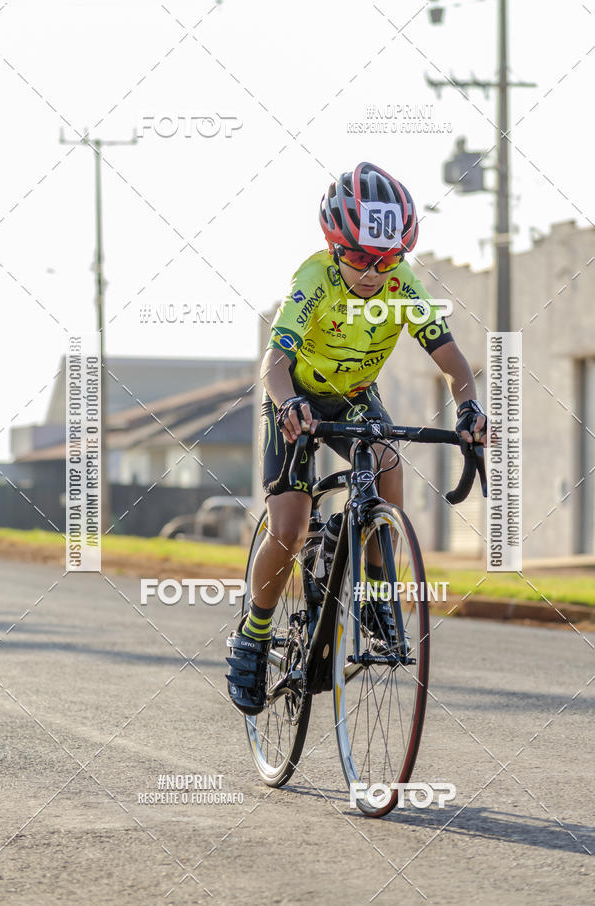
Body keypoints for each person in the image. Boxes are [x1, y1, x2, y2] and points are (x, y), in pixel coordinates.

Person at [226, 161, 487, 715]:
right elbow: (274, 361)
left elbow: (450, 357)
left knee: (389, 471)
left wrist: (467, 406)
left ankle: (373, 591)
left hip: (354, 395)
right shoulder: (313, 277)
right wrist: (288, 403)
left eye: (388, 258)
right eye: (362, 258)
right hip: (294, 396)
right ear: (335, 245)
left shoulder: (400, 284)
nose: (374, 272)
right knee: (291, 528)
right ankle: (254, 633)